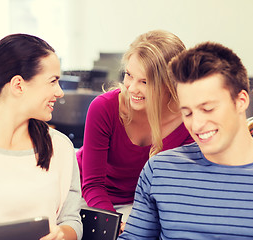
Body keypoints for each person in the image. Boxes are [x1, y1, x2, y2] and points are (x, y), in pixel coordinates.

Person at [118, 42, 253, 239]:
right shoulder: (158, 170)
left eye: (208, 109)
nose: (197, 125)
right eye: (188, 112)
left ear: (240, 101)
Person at [0, 34, 82, 240]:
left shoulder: (61, 148)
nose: (60, 92)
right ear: (18, 85)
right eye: (53, 81)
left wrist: (61, 235)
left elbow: (71, 221)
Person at [76, 30, 194, 221]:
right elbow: (92, 185)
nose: (131, 88)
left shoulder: (188, 120)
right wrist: (113, 222)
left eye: (145, 81)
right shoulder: (104, 107)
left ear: (170, 84)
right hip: (89, 197)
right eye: (129, 75)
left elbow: (176, 189)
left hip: (140, 204)